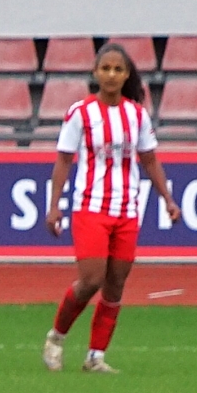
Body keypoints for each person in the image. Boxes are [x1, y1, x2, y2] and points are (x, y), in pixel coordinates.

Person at [42, 43, 181, 374]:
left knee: (116, 283)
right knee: (91, 279)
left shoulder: (137, 115)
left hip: (127, 209)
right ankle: (56, 337)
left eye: (118, 69)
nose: (111, 75)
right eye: (105, 68)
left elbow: (149, 160)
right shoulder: (81, 113)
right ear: (95, 72)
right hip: (90, 206)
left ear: (126, 75)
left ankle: (95, 356)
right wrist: (54, 206)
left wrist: (167, 198)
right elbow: (64, 160)